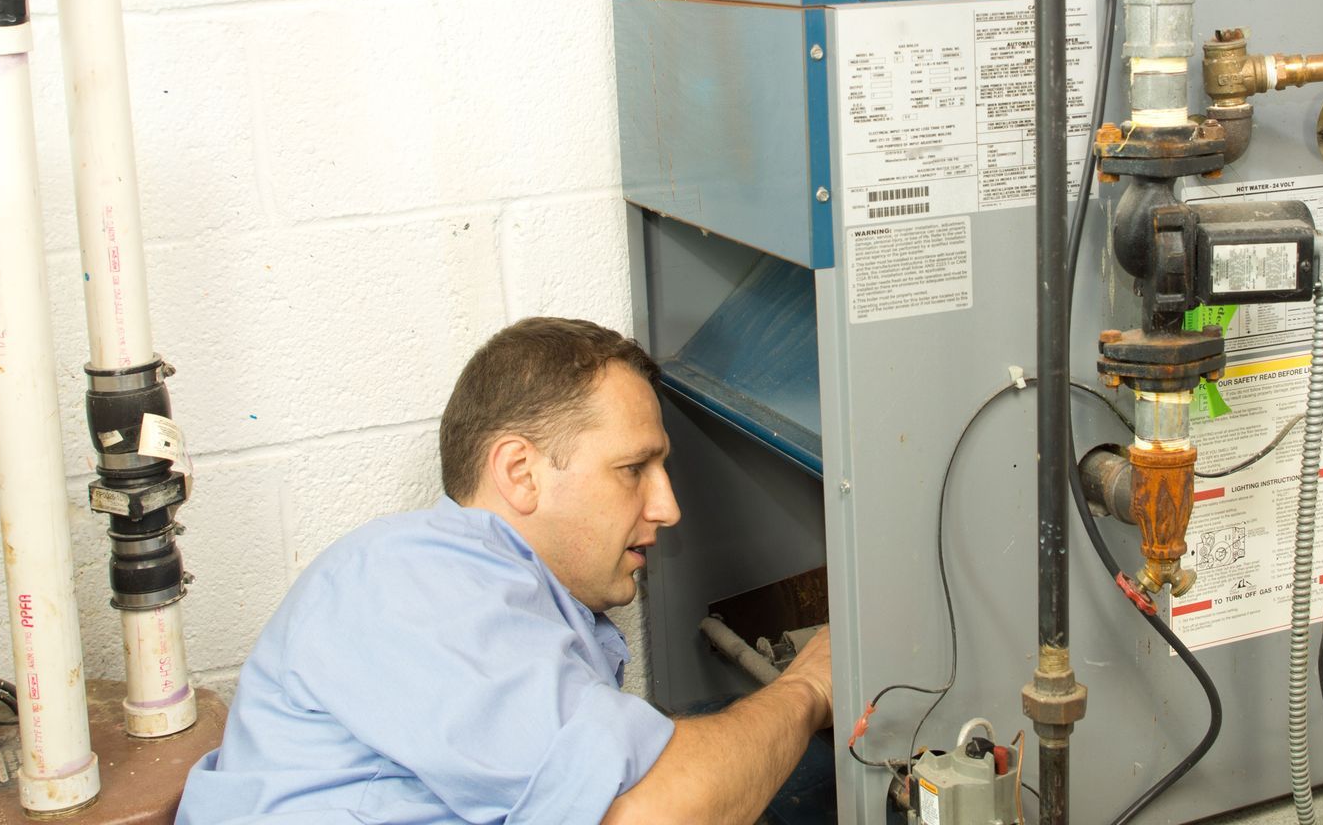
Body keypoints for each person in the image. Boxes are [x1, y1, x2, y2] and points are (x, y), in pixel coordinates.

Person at [176, 317, 833, 825]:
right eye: (634, 469)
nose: (667, 507)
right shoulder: (417, 587)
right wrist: (808, 690)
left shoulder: (489, 593)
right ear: (520, 473)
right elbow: (658, 811)